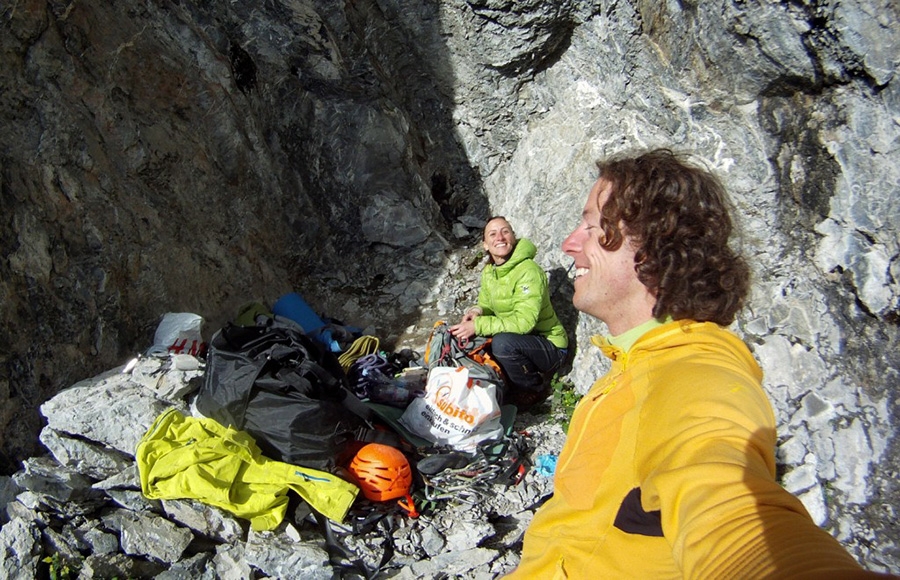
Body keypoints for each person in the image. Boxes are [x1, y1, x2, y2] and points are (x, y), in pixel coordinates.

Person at [508, 149, 886, 578]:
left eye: (594, 227)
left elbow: (729, 505)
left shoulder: (695, 374)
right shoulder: (635, 364)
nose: (570, 243)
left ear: (651, 248)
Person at [449, 216, 568, 409]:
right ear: (485, 245)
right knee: (472, 340)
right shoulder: (490, 271)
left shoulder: (528, 271)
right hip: (521, 341)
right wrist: (476, 312)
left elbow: (524, 322)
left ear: (513, 237)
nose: (500, 237)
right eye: (493, 234)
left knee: (502, 344)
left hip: (550, 347)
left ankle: (532, 389)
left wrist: (479, 325)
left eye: (505, 231)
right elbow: (486, 303)